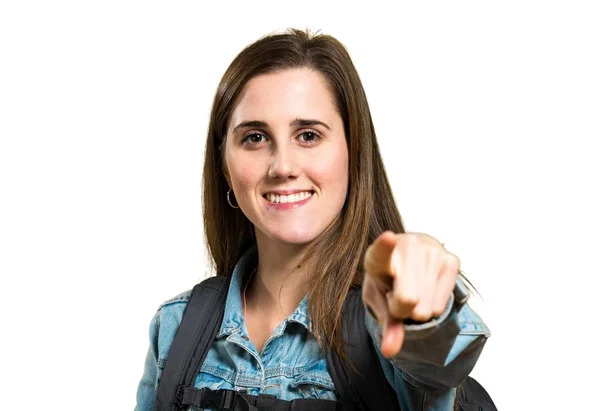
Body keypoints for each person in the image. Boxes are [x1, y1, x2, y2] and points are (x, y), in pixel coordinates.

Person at [135, 28, 491, 411]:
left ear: (354, 152)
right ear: (224, 164)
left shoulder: (381, 321)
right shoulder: (177, 327)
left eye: (308, 135)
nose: (283, 166)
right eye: (255, 137)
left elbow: (437, 361)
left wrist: (423, 308)